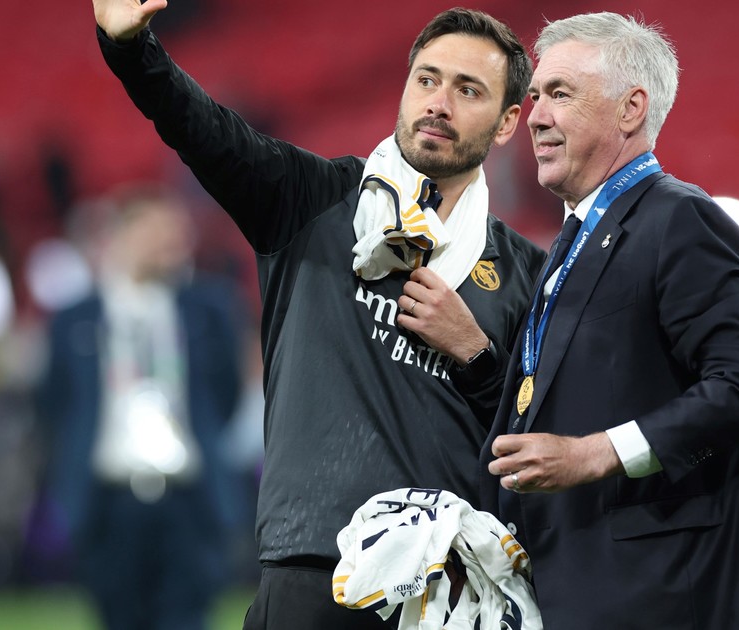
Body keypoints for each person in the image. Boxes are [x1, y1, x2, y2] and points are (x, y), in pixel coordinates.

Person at [90, 2, 546, 627]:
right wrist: (130, 49)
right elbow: (199, 127)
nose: (439, 103)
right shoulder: (310, 201)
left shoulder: (527, 274)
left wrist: (477, 355)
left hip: (446, 594)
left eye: (468, 90)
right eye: (427, 79)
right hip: (308, 577)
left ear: (507, 122)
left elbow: (536, 447)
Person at [481, 12, 739, 629]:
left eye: (560, 94)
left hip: (659, 598)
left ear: (630, 109)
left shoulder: (680, 220)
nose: (535, 116)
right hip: (576, 588)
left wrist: (597, 453)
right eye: (536, 96)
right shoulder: (575, 239)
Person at [39, 187, 243, 630]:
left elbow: (224, 397)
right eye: (157, 232)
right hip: (109, 499)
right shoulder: (75, 319)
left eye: (176, 234)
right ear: (121, 236)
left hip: (187, 497)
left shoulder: (207, 310)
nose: (173, 245)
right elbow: (55, 406)